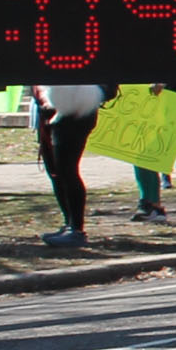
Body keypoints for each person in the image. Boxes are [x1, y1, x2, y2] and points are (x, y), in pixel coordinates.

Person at [32, 83, 103, 248]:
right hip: (51, 111)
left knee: (67, 170)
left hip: (73, 112)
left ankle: (76, 229)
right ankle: (69, 223)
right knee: (56, 171)